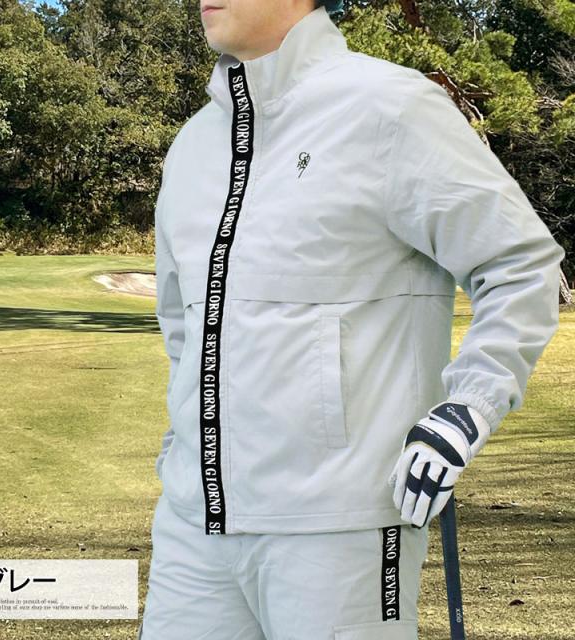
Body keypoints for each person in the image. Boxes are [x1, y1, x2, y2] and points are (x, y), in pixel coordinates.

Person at [138, 1, 566, 638]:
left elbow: (520, 264)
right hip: (193, 527)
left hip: (344, 530)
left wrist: (468, 407)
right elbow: (183, 322)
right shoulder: (194, 143)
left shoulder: (391, 109)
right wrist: (181, 447)